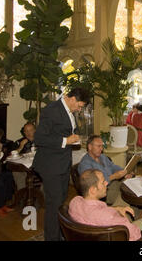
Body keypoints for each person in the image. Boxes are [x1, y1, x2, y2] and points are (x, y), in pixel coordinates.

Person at [32, 87, 91, 241]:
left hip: (62, 164)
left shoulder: (69, 111)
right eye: (79, 105)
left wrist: (73, 138)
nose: (79, 109)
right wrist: (66, 141)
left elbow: (64, 131)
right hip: (50, 165)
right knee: (54, 205)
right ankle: (52, 238)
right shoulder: (52, 110)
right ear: (72, 99)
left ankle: (59, 234)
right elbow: (39, 138)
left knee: (60, 202)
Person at [69, 169, 142, 241]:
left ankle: (140, 213)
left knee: (122, 199)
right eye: (103, 182)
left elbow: (97, 210)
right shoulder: (108, 216)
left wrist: (116, 208)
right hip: (126, 233)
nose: (107, 183)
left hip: (99, 230)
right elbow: (134, 233)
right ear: (93, 190)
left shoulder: (74, 202)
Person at [78, 135, 133, 206]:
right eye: (98, 146)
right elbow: (92, 185)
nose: (101, 149)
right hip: (104, 191)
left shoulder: (102, 157)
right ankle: (117, 211)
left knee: (131, 185)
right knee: (126, 193)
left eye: (102, 146)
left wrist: (124, 172)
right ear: (90, 147)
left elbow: (113, 167)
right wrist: (114, 176)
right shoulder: (85, 164)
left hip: (114, 183)